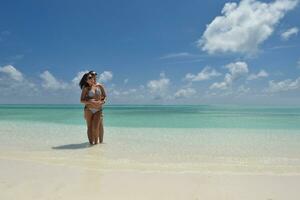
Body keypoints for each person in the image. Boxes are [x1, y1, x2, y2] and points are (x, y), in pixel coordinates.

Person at [79, 71, 106, 144]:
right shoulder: (86, 88)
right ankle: (91, 144)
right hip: (88, 109)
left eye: (94, 75)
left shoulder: (99, 86)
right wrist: (91, 101)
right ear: (86, 79)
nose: (93, 77)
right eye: (90, 77)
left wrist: (103, 102)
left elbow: (104, 96)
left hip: (98, 109)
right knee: (89, 127)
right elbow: (81, 100)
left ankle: (97, 144)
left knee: (96, 127)